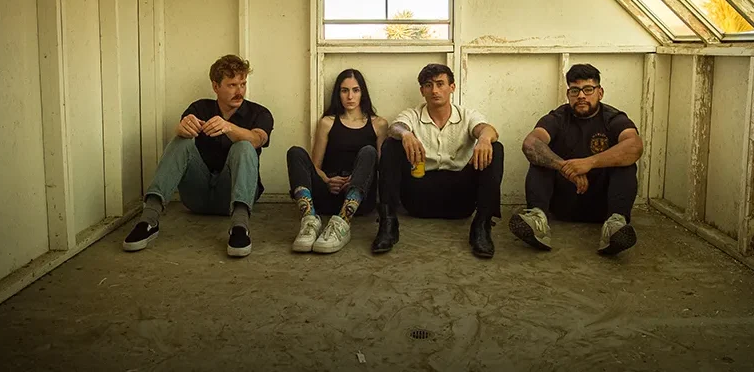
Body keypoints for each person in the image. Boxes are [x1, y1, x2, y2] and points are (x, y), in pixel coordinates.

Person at [122, 55, 273, 258]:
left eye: (243, 84)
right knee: (181, 141)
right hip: (197, 197)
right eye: (232, 85)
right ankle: (148, 220)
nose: (240, 91)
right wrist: (182, 127)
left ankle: (240, 227)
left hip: (234, 194)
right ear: (215, 86)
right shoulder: (200, 108)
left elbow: (257, 139)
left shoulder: (259, 113)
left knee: (244, 146)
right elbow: (182, 133)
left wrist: (229, 127)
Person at [371, 64, 504, 258]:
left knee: (495, 148)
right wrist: (406, 134)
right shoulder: (413, 114)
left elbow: (487, 129)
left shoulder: (467, 115)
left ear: (452, 87)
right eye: (428, 85)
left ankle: (482, 227)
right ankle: (388, 224)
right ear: (422, 91)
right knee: (392, 144)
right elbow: (396, 127)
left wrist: (484, 138)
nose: (434, 90)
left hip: (461, 200)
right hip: (418, 198)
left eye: (440, 84)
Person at [510, 63, 643, 255]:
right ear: (568, 94)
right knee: (540, 157)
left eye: (588, 89)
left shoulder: (613, 118)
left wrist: (589, 163)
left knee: (625, 163)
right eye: (575, 90)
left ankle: (615, 226)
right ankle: (538, 220)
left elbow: (635, 146)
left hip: (603, 205)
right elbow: (531, 143)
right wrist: (565, 168)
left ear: (600, 92)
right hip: (562, 203)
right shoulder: (558, 118)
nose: (581, 95)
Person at [286, 69, 388, 254]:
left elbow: (380, 168)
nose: (350, 96)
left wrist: (355, 180)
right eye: (344, 90)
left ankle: (342, 224)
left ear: (363, 92)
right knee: (295, 153)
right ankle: (309, 221)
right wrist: (327, 180)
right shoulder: (327, 122)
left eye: (355, 90)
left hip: (359, 201)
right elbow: (316, 166)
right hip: (328, 195)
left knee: (369, 151)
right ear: (338, 93)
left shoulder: (378, 124)